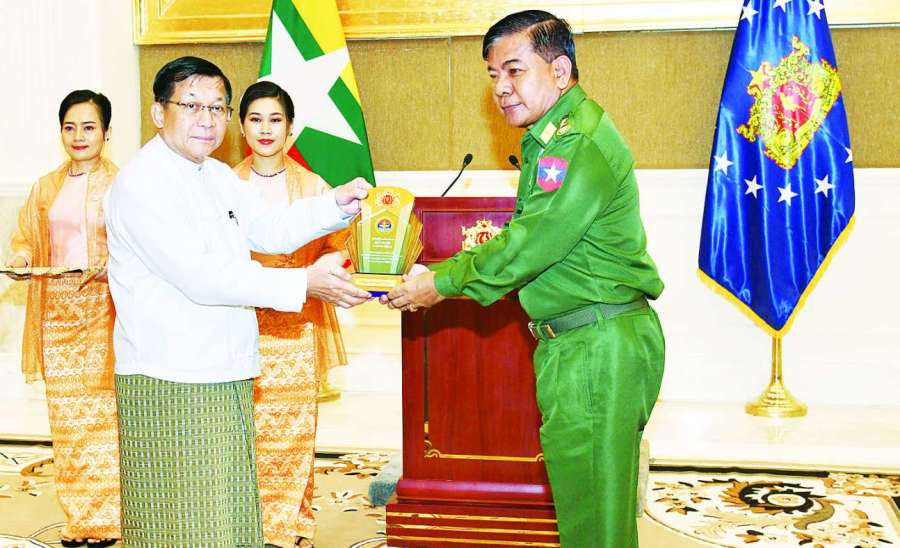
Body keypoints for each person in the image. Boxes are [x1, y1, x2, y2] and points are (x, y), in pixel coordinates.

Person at [382, 11, 665, 547]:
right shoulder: (550, 138)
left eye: (514, 70)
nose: (501, 88)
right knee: (589, 512)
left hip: (596, 346)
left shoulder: (574, 143)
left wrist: (439, 282)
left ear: (559, 71)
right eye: (493, 75)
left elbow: (529, 243)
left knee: (596, 526)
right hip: (583, 341)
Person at [104, 56, 371, 547]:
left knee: (225, 515)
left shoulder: (216, 175)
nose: (207, 119)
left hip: (225, 367)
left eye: (218, 107)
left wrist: (334, 205)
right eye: (191, 105)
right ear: (159, 112)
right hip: (170, 374)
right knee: (180, 521)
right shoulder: (142, 182)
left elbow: (269, 228)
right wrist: (303, 284)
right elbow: (201, 277)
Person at [233, 80, 350, 548]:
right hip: (239, 322)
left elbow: (339, 246)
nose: (265, 129)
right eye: (255, 119)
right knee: (246, 430)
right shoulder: (224, 184)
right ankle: (250, 520)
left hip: (298, 324)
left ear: (291, 128)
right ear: (242, 127)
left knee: (294, 428)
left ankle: (287, 523)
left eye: (275, 120)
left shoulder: (314, 187)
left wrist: (327, 266)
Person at [6, 90, 121, 547]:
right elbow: (26, 237)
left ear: (106, 133)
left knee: (102, 418)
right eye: (70, 127)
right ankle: (80, 519)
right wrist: (20, 258)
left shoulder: (122, 185)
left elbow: (140, 243)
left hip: (105, 309)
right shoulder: (46, 187)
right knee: (68, 422)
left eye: (89, 127)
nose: (79, 136)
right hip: (56, 313)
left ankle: (107, 519)